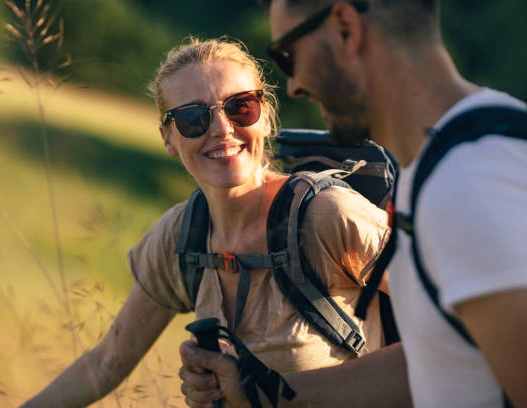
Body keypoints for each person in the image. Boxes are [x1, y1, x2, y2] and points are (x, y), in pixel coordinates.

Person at [179, 1, 527, 407]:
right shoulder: (443, 162)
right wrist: (264, 393)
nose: (293, 86)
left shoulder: (469, 182)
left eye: (288, 56)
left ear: (345, 29)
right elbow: (443, 358)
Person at [20, 37, 393, 407]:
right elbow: (106, 363)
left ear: (264, 118)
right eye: (192, 118)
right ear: (168, 138)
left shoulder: (328, 215)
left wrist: (268, 393)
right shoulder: (182, 236)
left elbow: (446, 326)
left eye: (240, 107)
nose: (221, 129)